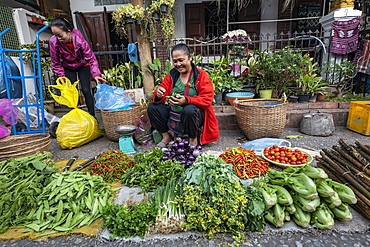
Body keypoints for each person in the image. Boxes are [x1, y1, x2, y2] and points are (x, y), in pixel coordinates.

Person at [147, 43, 219, 148]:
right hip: (174, 111)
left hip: (195, 114)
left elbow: (207, 99)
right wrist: (159, 94)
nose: (178, 64)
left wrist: (187, 100)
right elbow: (163, 89)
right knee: (153, 108)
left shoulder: (200, 75)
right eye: (175, 61)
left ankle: (193, 139)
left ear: (190, 58)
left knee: (189, 109)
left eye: (181, 60)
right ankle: (166, 137)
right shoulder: (172, 75)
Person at [49, 18, 106, 117]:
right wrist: (61, 76)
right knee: (72, 92)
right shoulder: (54, 42)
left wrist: (96, 74)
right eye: (55, 35)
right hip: (67, 66)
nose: (58, 38)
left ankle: (93, 116)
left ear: (68, 31)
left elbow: (91, 58)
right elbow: (55, 62)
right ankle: (77, 117)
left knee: (86, 90)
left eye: (60, 35)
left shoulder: (79, 39)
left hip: (82, 64)